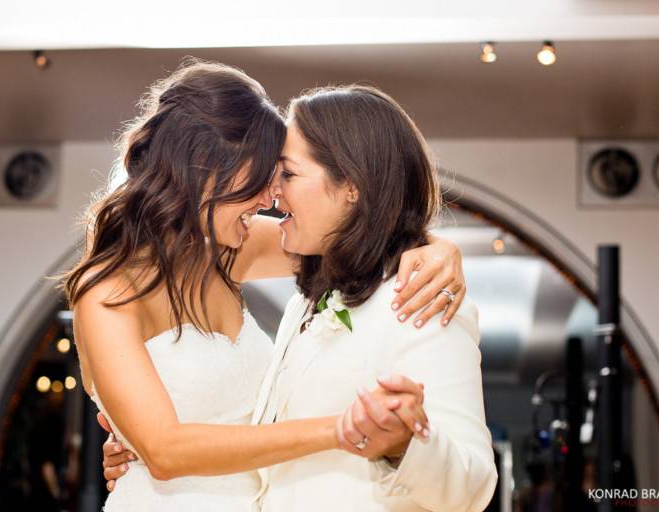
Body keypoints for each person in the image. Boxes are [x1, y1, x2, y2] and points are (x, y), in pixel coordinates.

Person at [65, 60, 469, 511]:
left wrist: (436, 247)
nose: (269, 199)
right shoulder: (106, 297)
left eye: (280, 177)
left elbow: (359, 237)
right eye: (258, 179)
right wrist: (343, 429)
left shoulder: (231, 250)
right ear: (204, 171)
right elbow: (164, 451)